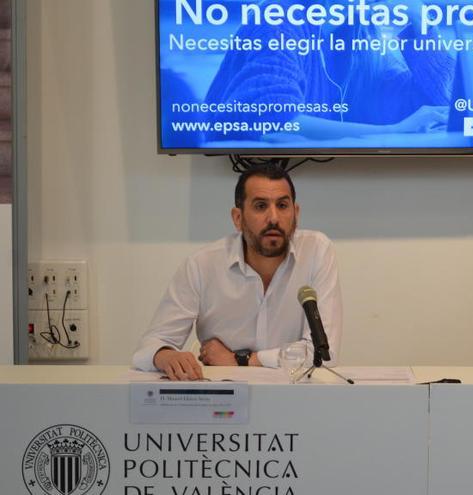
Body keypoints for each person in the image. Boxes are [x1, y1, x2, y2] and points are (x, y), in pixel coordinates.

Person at [132, 163, 342, 380]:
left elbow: (324, 353)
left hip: (293, 394)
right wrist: (165, 355)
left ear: (295, 213)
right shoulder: (201, 265)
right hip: (226, 400)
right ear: (238, 218)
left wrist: (242, 359)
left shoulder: (317, 250)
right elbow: (150, 346)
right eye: (261, 206)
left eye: (282, 205)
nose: (273, 218)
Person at [202, 0, 454, 143]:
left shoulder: (359, 35)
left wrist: (423, 25)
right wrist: (395, 132)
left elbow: (441, 110)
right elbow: (272, 119)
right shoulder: (278, 20)